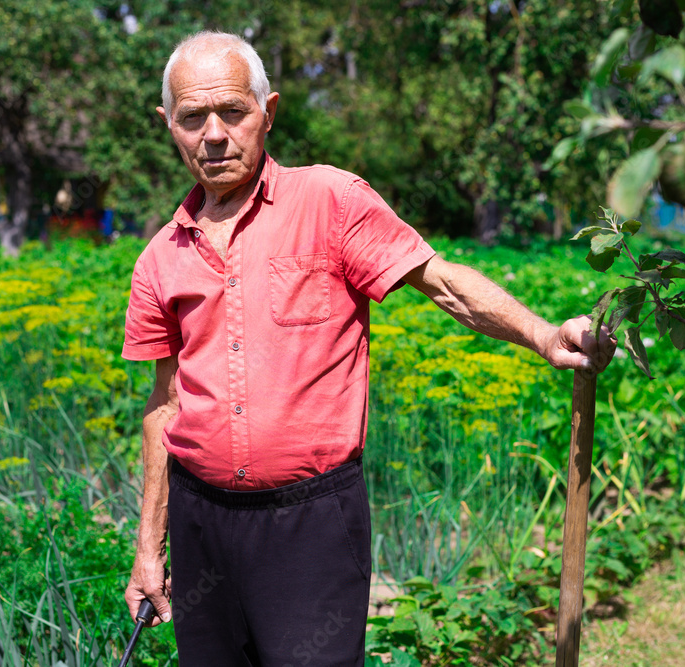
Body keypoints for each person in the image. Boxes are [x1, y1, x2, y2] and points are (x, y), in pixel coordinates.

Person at [120, 30, 616, 667]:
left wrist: (546, 336)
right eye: (192, 117)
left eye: (233, 112)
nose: (213, 134)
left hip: (310, 524)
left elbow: (443, 284)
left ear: (267, 113)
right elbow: (164, 404)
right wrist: (148, 547)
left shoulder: (331, 201)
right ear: (169, 125)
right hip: (199, 524)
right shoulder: (160, 257)